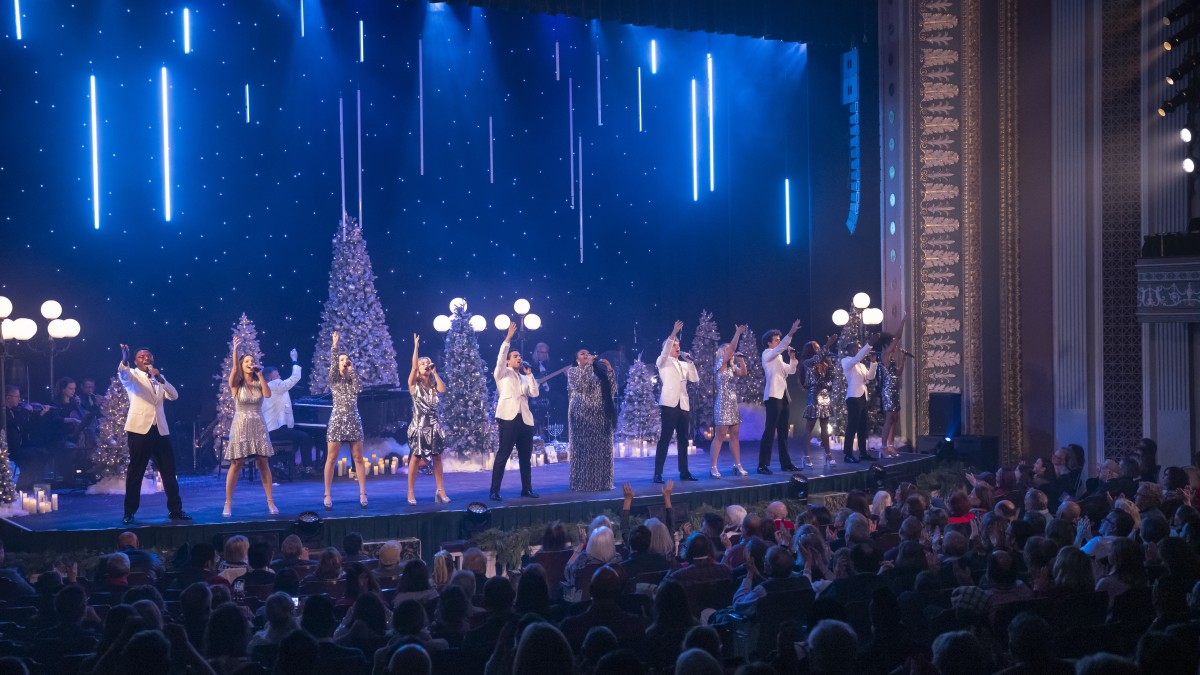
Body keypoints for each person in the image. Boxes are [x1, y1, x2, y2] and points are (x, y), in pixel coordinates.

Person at [117, 344, 189, 524]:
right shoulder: (132, 375)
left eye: (148, 356)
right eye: (141, 357)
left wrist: (161, 379)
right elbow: (123, 374)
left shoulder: (158, 377)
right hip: (140, 429)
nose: (146, 358)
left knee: (169, 471)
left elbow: (174, 396)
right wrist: (124, 359)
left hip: (160, 429)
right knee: (136, 471)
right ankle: (129, 512)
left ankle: (176, 510)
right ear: (136, 361)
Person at [222, 336, 278, 518]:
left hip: (258, 424)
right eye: (246, 361)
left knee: (263, 462)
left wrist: (260, 375)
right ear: (241, 365)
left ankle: (270, 502)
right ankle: (228, 503)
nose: (250, 363)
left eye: (252, 361)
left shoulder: (259, 382)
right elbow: (234, 370)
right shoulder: (236, 385)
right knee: (237, 463)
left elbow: (268, 394)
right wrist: (235, 351)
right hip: (241, 423)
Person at [491, 321, 540, 501]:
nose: (519, 358)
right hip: (508, 418)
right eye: (515, 356)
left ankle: (527, 489)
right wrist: (508, 339)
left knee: (525, 457)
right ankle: (494, 491)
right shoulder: (502, 373)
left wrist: (530, 375)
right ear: (508, 360)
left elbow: (534, 393)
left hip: (525, 420)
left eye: (520, 356)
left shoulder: (525, 377)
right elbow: (500, 357)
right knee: (503, 454)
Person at [323, 331, 367, 510]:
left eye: (346, 360)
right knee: (331, 458)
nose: (344, 362)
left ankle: (363, 493)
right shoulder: (334, 379)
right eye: (341, 360)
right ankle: (327, 494)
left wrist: (352, 370)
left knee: (358, 457)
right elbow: (333, 365)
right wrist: (335, 346)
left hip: (353, 419)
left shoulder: (353, 380)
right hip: (337, 420)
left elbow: (359, 389)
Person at [654, 320, 699, 484]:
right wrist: (673, 333)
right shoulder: (662, 360)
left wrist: (690, 362)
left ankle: (684, 472)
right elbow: (666, 350)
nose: (677, 347)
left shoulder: (683, 364)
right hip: (669, 404)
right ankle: (658, 473)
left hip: (683, 404)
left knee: (683, 439)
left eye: (678, 345)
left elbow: (694, 378)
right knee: (665, 438)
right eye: (674, 345)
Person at [407, 333, 449, 505]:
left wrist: (435, 373)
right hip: (419, 426)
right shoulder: (414, 385)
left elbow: (443, 389)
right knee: (416, 458)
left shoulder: (433, 386)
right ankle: (410, 492)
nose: (426, 365)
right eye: (423, 363)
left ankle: (440, 490)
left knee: (437, 457)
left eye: (428, 363)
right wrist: (416, 347)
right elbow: (413, 368)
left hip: (434, 426)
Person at [567, 349, 617, 492]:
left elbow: (612, 390)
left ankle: (603, 483)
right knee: (584, 450)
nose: (586, 355)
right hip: (581, 416)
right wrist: (588, 366)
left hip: (601, 415)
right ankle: (583, 483)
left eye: (588, 353)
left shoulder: (599, 372)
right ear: (577, 359)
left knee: (601, 449)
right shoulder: (573, 371)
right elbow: (580, 386)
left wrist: (609, 371)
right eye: (582, 354)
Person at [758, 319, 802, 474]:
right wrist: (791, 333)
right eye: (776, 340)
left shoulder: (779, 358)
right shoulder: (767, 354)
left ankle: (786, 463)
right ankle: (762, 465)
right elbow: (780, 348)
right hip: (773, 396)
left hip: (783, 397)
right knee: (770, 430)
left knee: (783, 432)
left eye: (779, 339)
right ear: (769, 343)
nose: (778, 342)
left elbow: (791, 370)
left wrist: (792, 358)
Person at [262, 348, 316, 474]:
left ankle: (290, 465)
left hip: (270, 429)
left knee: (298, 438)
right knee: (305, 438)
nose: (280, 376)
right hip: (275, 430)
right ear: (271, 377)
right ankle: (307, 468)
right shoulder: (275, 385)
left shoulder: (268, 387)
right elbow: (294, 378)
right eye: (277, 375)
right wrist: (294, 360)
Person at [711, 324, 749, 478]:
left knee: (735, 435)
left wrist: (741, 360)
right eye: (727, 350)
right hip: (723, 403)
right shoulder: (719, 364)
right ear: (723, 353)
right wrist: (737, 333)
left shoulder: (731, 367)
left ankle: (737, 465)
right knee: (720, 435)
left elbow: (743, 372)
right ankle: (713, 466)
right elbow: (732, 347)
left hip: (733, 403)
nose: (731, 352)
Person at [798, 334, 839, 467]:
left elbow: (832, 376)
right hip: (814, 394)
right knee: (810, 426)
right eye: (816, 347)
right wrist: (828, 345)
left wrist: (830, 362)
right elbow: (816, 359)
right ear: (810, 350)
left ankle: (828, 454)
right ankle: (806, 456)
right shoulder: (807, 362)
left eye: (819, 347)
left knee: (825, 427)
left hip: (825, 395)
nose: (819, 349)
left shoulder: (823, 364)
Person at [873, 314, 907, 458]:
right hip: (888, 390)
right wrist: (903, 321)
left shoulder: (891, 357)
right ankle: (883, 447)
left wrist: (903, 360)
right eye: (892, 342)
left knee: (895, 418)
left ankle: (891, 446)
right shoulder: (885, 355)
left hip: (894, 390)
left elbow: (898, 373)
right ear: (887, 344)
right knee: (889, 417)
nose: (895, 344)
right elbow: (898, 336)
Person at [840, 339, 877, 464]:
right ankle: (848, 454)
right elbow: (856, 359)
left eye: (861, 348)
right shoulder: (846, 361)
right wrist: (869, 345)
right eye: (858, 348)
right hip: (853, 397)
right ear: (851, 350)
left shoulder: (861, 365)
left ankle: (863, 453)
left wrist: (873, 363)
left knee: (862, 427)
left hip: (862, 397)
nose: (860, 350)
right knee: (852, 426)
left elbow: (870, 377)